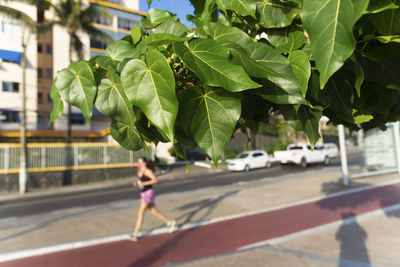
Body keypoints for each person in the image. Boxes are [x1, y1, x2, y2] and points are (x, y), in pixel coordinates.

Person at [130, 157, 176, 241]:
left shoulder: (148, 171)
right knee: (154, 211)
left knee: (140, 213)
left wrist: (143, 183)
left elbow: (155, 180)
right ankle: (170, 222)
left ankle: (135, 234)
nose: (138, 163)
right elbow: (140, 181)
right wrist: (137, 183)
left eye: (139, 162)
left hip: (148, 193)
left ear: (144, 163)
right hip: (143, 194)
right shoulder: (139, 171)